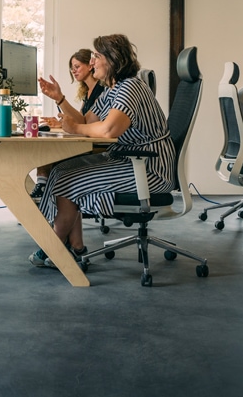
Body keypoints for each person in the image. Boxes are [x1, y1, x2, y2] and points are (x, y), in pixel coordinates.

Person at [29, 34, 175, 269]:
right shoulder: (113, 90)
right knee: (61, 169)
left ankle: (53, 247)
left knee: (67, 177)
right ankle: (71, 246)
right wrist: (60, 99)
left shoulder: (131, 87)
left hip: (148, 169)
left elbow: (108, 129)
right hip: (131, 162)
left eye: (96, 56)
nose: (92, 61)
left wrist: (76, 127)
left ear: (112, 59)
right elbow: (86, 119)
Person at [29, 48, 105, 204]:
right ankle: (42, 192)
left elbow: (83, 122)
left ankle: (42, 193)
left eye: (77, 66)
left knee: (49, 150)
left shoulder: (102, 90)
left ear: (90, 65)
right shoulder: (88, 92)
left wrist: (60, 99)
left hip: (98, 147)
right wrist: (62, 121)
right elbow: (81, 119)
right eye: (72, 68)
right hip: (91, 141)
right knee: (47, 147)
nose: (73, 71)